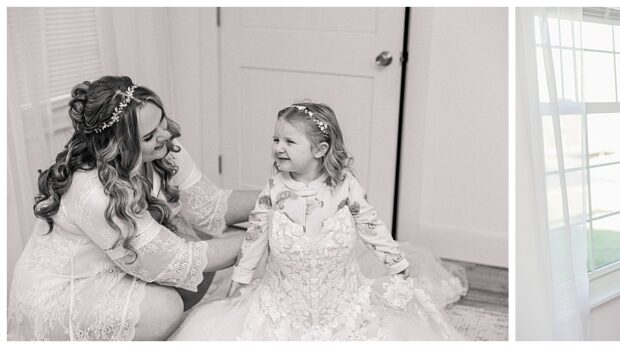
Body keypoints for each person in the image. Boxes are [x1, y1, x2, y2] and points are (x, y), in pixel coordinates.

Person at [171, 102, 465, 340]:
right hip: (283, 303)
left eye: (289, 141)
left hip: (342, 302)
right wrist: (241, 278)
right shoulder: (274, 189)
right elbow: (255, 236)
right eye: (276, 139)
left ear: (320, 150)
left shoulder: (345, 187)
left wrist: (396, 262)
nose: (278, 148)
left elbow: (371, 226)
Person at [8, 75, 257, 340]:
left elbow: (211, 207)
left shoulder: (161, 148)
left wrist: (277, 197)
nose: (165, 135)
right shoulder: (94, 190)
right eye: (149, 135)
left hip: (123, 262)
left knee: (205, 244)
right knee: (164, 307)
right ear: (118, 146)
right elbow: (176, 260)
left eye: (161, 121)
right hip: (68, 287)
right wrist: (263, 233)